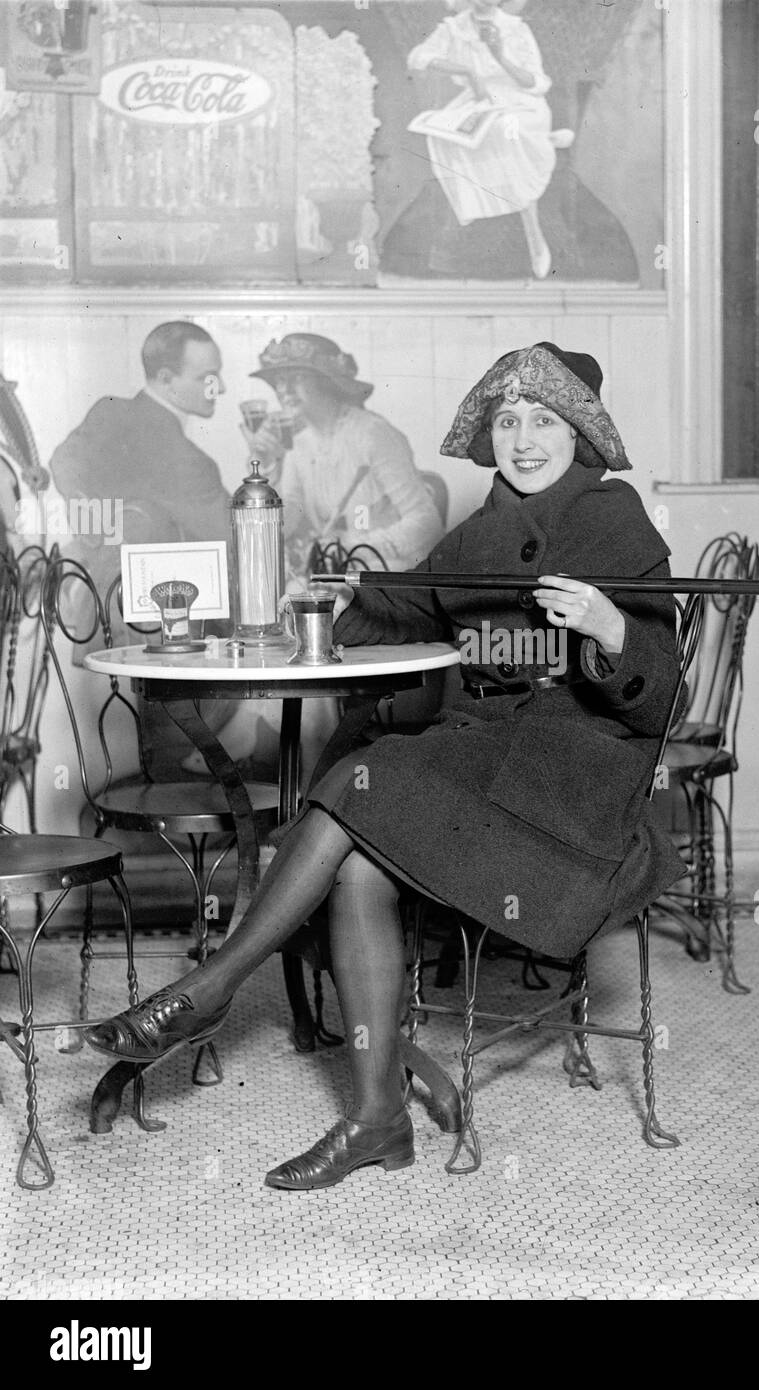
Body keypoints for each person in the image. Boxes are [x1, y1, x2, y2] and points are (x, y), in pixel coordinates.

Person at [86, 342, 686, 1191]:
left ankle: (211, 987)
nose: (522, 439)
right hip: (483, 762)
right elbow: (402, 604)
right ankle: (376, 1122)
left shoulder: (614, 518)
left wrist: (610, 628)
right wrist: (339, 593)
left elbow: (661, 700)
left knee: (346, 796)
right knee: (358, 864)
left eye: (543, 421)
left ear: (578, 433)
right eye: (508, 420)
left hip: (572, 788)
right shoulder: (480, 530)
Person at [49, 321, 231, 650]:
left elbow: (64, 462)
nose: (220, 388)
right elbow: (236, 538)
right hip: (157, 631)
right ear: (165, 379)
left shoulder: (109, 412)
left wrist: (95, 535)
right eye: (207, 377)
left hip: (97, 614)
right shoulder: (188, 462)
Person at [243, 333, 443, 582]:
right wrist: (264, 465)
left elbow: (427, 523)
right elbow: (285, 526)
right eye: (279, 381)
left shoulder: (372, 433)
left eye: (296, 378)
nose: (284, 390)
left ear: (326, 381)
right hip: (334, 577)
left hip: (387, 576)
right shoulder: (298, 443)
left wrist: (351, 547)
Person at [407, 0, 557, 279]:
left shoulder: (516, 28)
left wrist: (501, 56)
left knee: (505, 131)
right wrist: (466, 71)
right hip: (478, 100)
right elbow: (418, 57)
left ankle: (533, 233)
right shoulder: (455, 27)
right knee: (444, 136)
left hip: (521, 102)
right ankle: (474, 207)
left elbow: (537, 82)